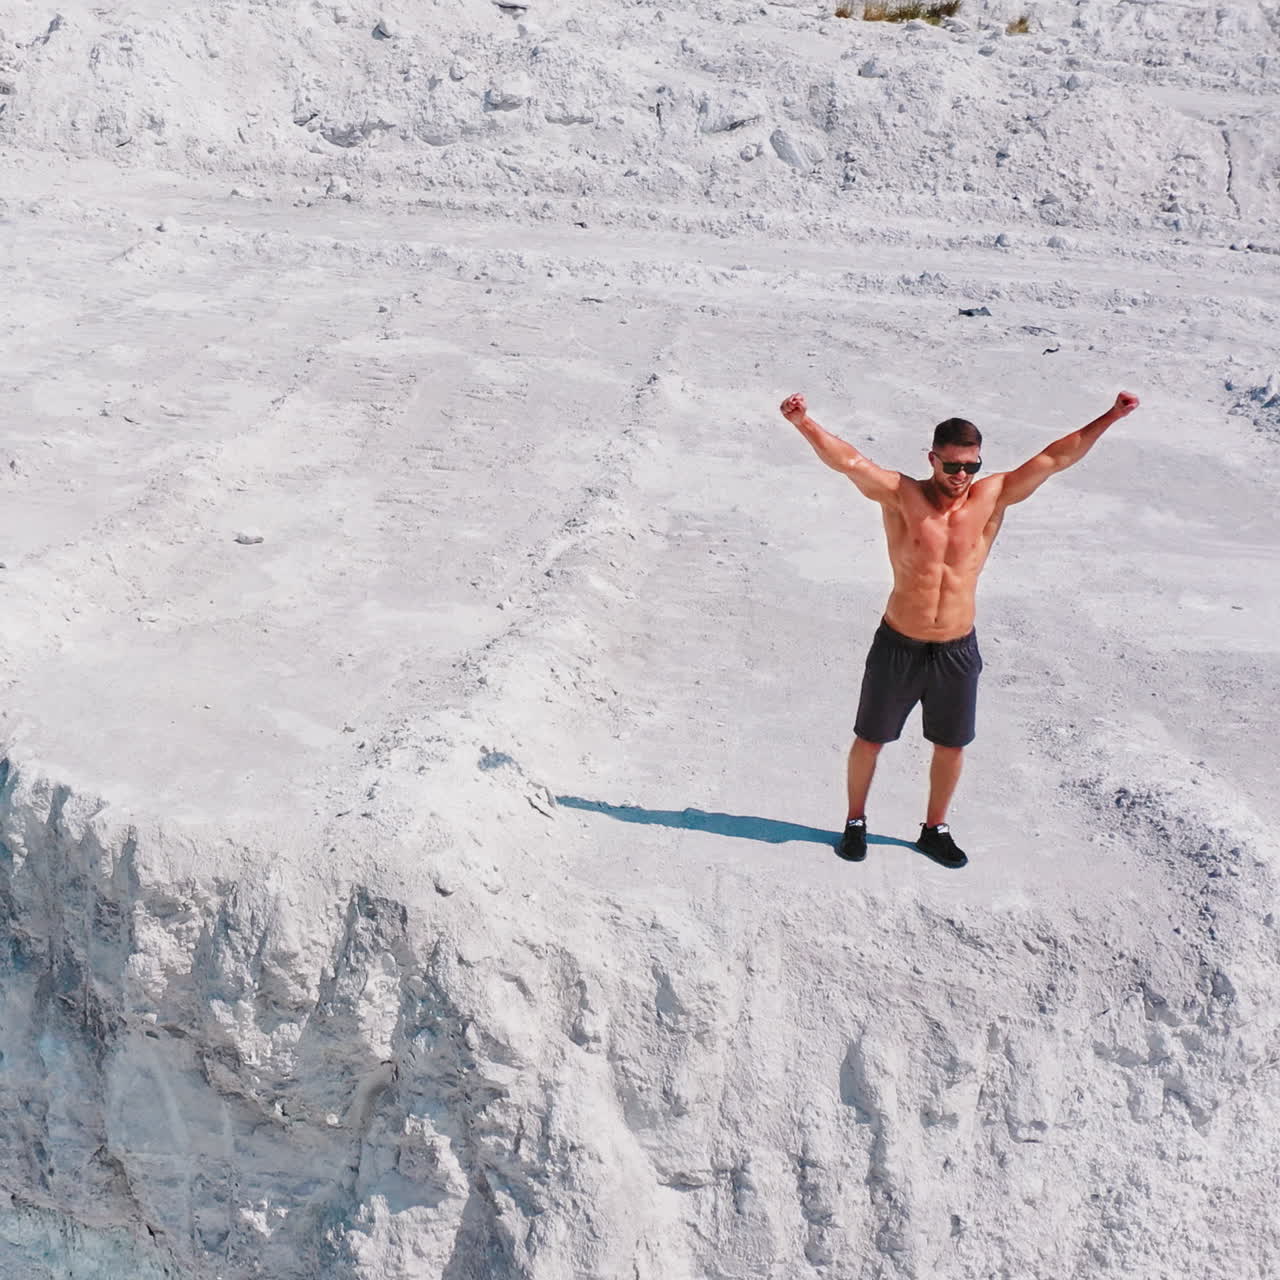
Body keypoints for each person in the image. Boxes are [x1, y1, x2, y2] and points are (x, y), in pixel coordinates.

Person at [779, 389, 1140, 868]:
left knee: (950, 745)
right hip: (898, 643)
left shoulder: (992, 497)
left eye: (970, 466)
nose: (961, 477)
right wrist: (804, 422)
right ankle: (855, 822)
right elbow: (848, 461)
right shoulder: (901, 495)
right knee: (870, 738)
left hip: (955, 648)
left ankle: (935, 828)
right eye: (952, 467)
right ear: (932, 459)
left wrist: (1111, 415)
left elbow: (1056, 456)